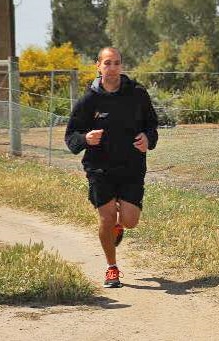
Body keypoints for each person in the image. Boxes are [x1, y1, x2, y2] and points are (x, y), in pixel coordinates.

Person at [65, 47, 158, 288]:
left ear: (121, 66)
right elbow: (71, 135)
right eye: (107, 63)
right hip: (99, 169)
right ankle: (112, 268)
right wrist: (85, 139)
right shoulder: (89, 100)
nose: (112, 68)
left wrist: (148, 139)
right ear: (98, 66)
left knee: (130, 221)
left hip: (131, 167)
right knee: (106, 218)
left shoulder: (137, 94)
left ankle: (119, 225)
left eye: (116, 63)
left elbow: (152, 126)